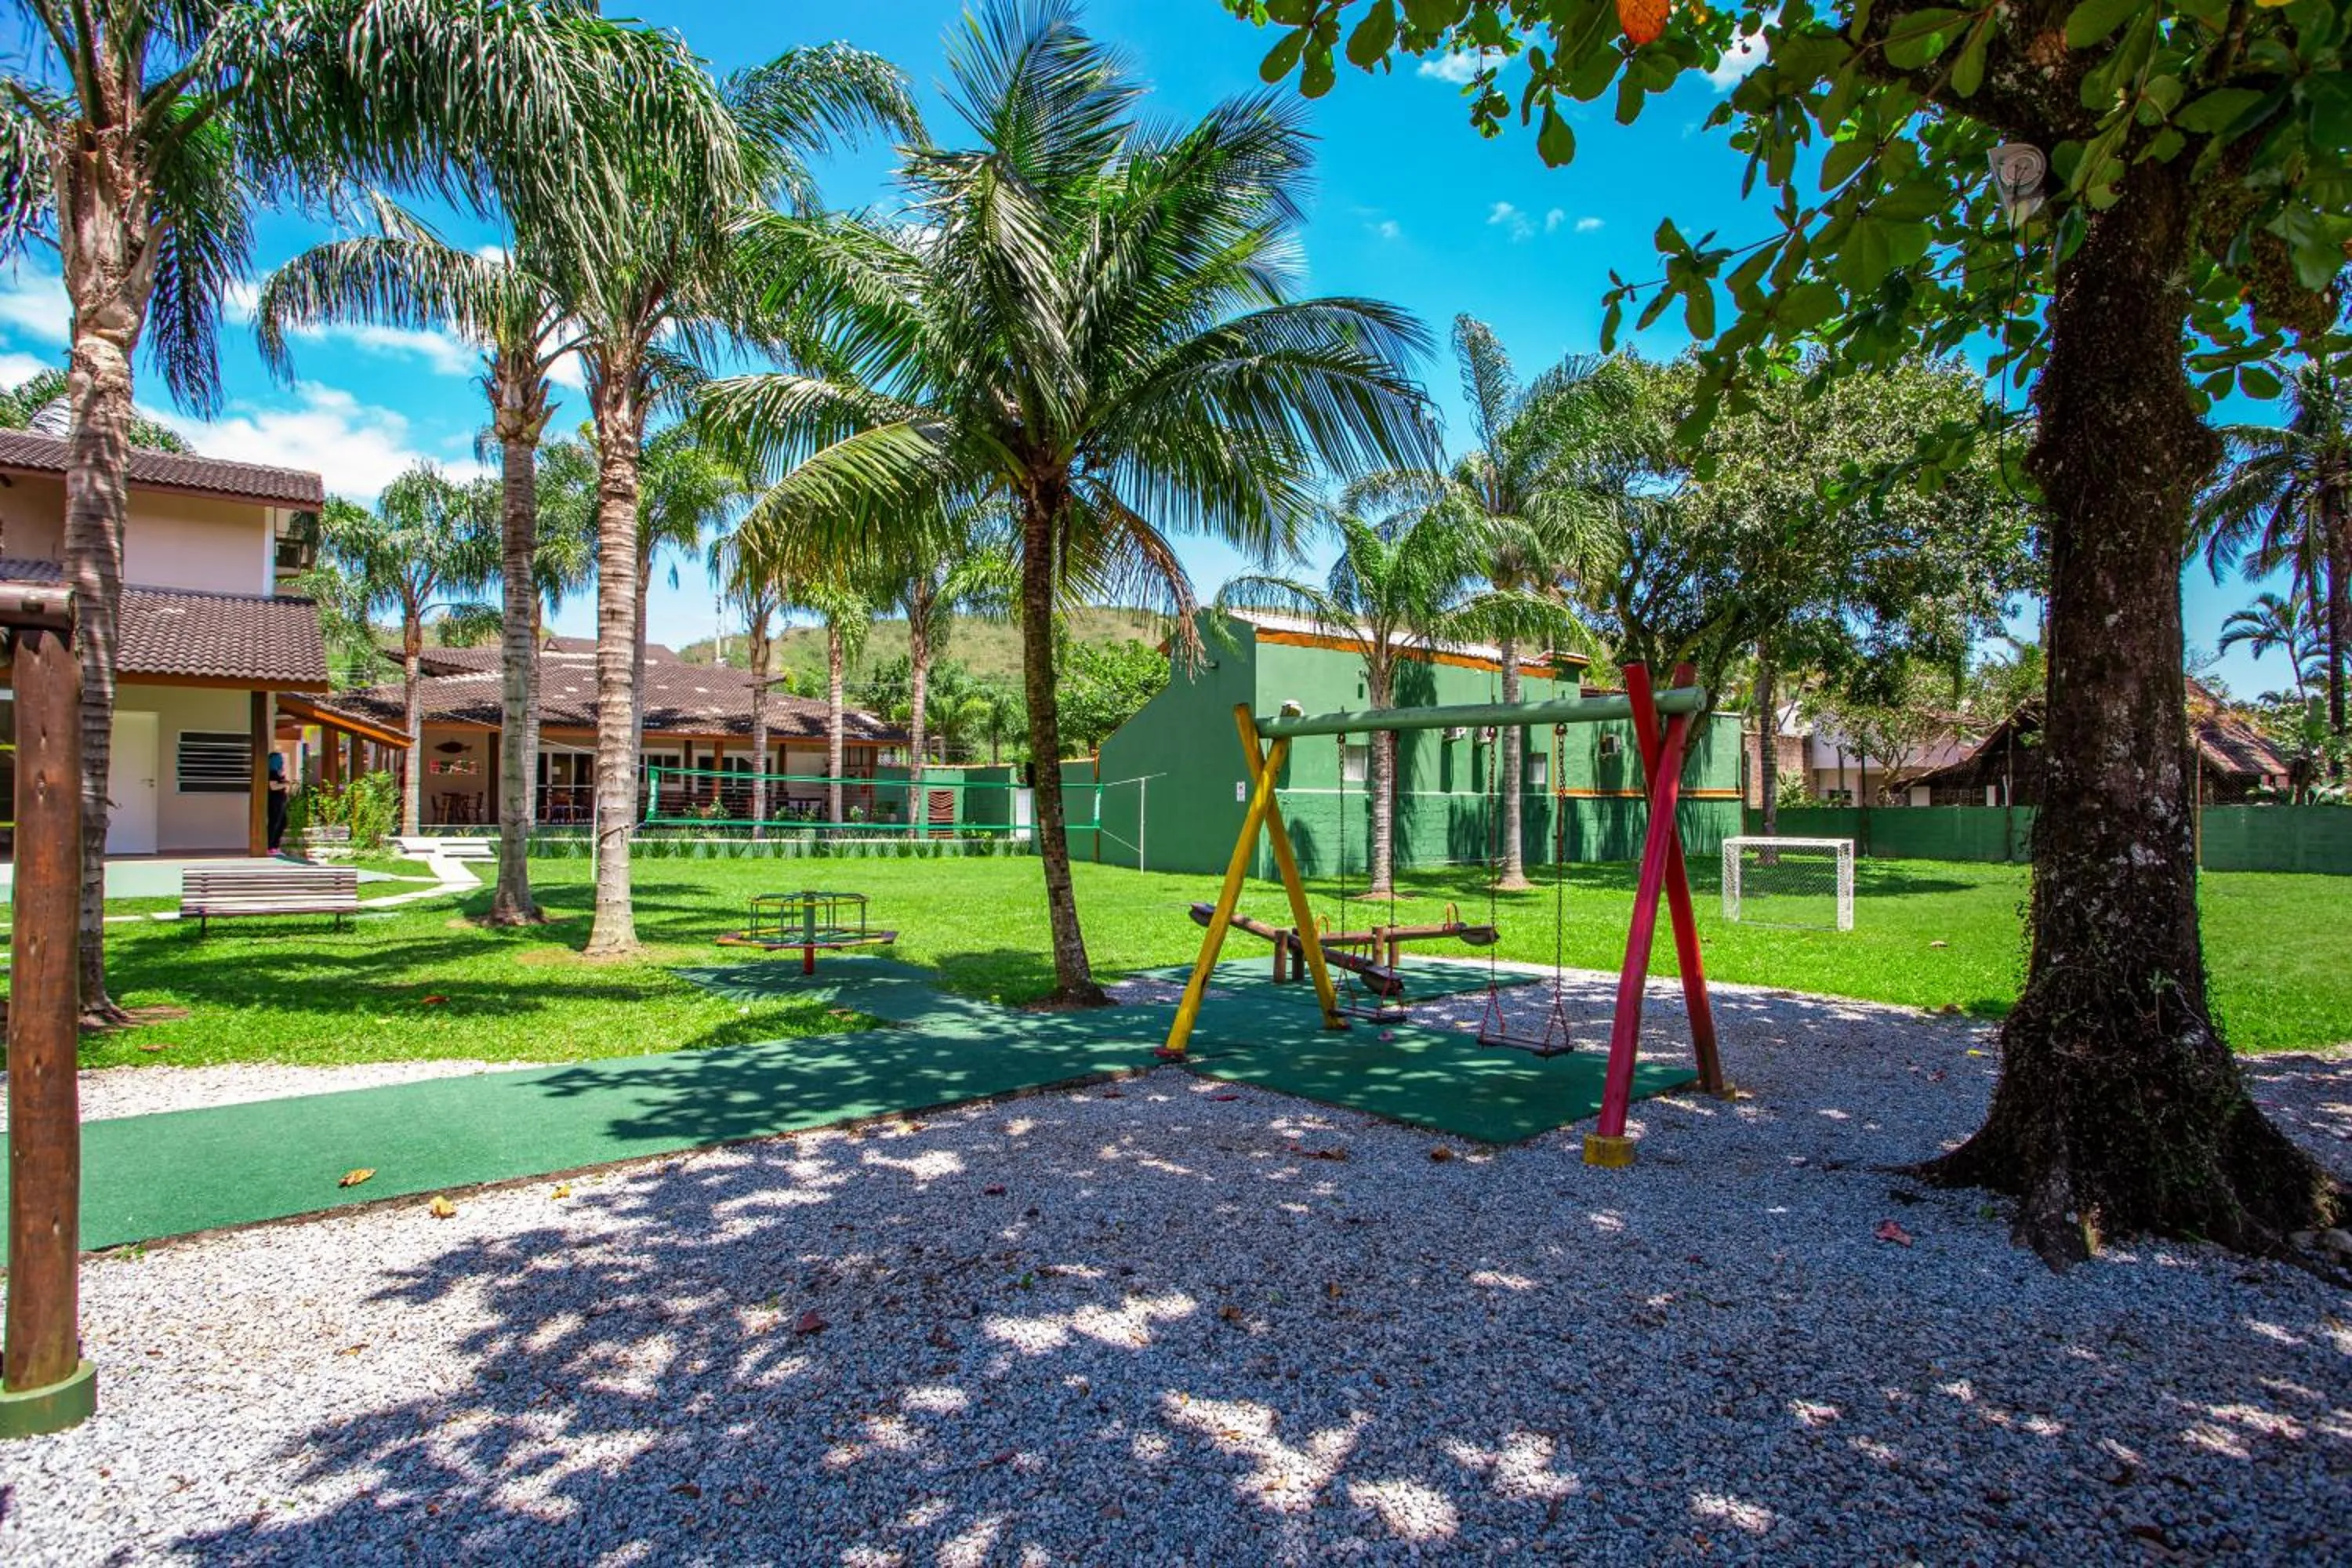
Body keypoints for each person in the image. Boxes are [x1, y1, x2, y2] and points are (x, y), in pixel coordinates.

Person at [266, 752, 291, 852]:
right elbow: (273, 787)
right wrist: (286, 784)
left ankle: (274, 846)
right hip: (275, 802)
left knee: (282, 822)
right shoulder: (272, 773)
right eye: (280, 760)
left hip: (279, 801)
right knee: (275, 823)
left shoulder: (276, 772)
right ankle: (270, 846)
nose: (282, 762)